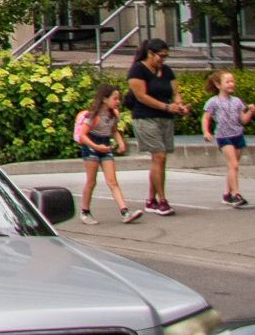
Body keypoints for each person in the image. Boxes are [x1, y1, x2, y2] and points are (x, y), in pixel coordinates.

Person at [124, 37, 186, 216]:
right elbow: (141, 96)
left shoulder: (166, 71)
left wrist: (179, 105)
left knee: (160, 159)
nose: (163, 60)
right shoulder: (138, 70)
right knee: (159, 155)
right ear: (150, 54)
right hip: (145, 117)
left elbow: (175, 92)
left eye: (165, 56)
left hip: (165, 118)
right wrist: (166, 106)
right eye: (160, 56)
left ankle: (151, 199)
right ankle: (162, 200)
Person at [72, 79, 143, 225]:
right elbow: (83, 135)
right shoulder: (93, 116)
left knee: (112, 181)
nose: (118, 101)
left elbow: (114, 131)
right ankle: (85, 211)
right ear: (105, 99)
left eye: (118, 98)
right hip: (92, 146)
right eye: (114, 98)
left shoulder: (114, 115)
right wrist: (97, 147)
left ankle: (125, 211)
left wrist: (120, 142)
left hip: (105, 145)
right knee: (91, 182)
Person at [202, 70, 255, 207]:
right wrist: (206, 131)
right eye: (228, 82)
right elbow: (206, 117)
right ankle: (236, 194)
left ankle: (227, 194)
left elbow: (243, 120)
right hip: (224, 136)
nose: (231, 84)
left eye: (232, 81)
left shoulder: (237, 101)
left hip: (237, 135)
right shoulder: (213, 102)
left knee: (233, 167)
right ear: (218, 84)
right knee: (234, 164)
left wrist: (250, 112)